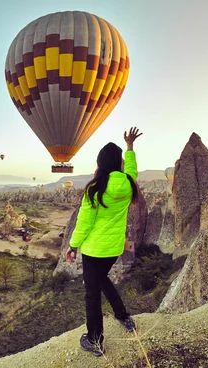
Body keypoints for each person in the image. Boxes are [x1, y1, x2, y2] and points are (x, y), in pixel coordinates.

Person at [65, 126, 143, 357]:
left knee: (92, 294)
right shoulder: (128, 183)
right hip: (112, 249)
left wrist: (72, 245)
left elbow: (84, 223)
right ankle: (123, 316)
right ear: (118, 164)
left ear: (100, 164)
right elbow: (132, 170)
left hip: (93, 249)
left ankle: (95, 340)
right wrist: (130, 147)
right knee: (101, 280)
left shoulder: (95, 189)